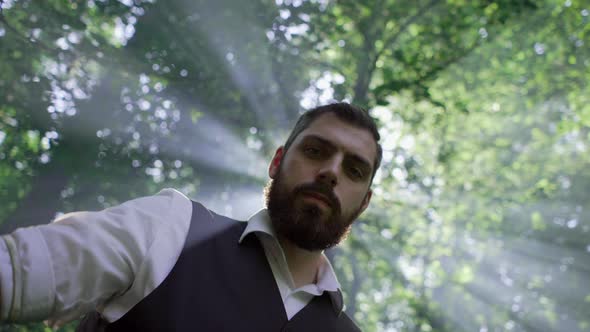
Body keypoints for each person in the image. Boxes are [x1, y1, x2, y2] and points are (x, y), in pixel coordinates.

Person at [0, 102, 382, 331]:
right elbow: (15, 275)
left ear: (363, 203)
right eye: (316, 151)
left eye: (353, 171)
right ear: (277, 162)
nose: (331, 171)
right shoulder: (170, 229)